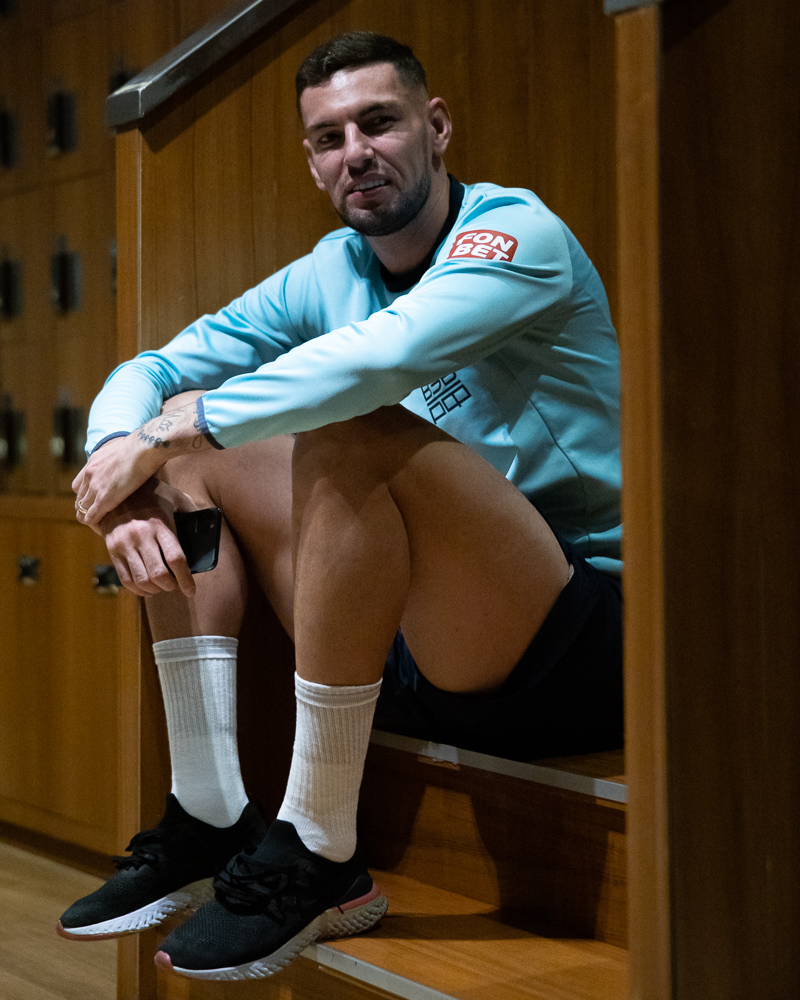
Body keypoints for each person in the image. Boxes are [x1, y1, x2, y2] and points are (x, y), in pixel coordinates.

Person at [56, 32, 623, 981]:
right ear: (314, 162)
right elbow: (154, 369)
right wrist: (123, 469)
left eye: (379, 123)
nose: (355, 151)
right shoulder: (330, 270)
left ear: (436, 127)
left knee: (338, 425)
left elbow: (380, 360)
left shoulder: (517, 235)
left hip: (577, 638)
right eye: (329, 138)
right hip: (425, 642)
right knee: (182, 465)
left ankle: (319, 847)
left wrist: (178, 426)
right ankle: (209, 809)